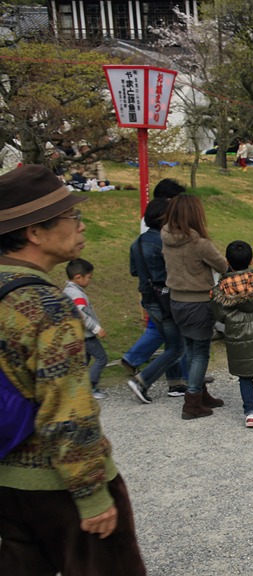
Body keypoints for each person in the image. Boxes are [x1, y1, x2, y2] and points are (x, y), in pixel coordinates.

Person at [0, 164, 146, 575]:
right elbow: (69, 410)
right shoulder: (46, 305)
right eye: (73, 218)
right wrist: (92, 494)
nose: (82, 226)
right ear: (34, 231)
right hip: (56, 486)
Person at [161, 194, 229, 419]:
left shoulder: (166, 237)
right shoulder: (199, 244)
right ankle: (191, 403)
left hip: (176, 302)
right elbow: (223, 265)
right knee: (200, 352)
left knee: (191, 350)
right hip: (198, 303)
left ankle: (200, 393)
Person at [126, 198, 188, 403]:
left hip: (148, 300)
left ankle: (176, 383)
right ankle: (142, 381)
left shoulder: (137, 243)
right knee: (177, 347)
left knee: (171, 342)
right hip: (166, 300)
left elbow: (134, 271)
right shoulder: (165, 242)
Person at [211, 241, 253, 428]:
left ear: (227, 261)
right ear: (251, 260)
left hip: (237, 337)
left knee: (245, 376)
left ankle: (250, 412)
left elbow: (219, 314)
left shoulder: (220, 290)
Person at [63, 258, 109, 399]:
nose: (90, 280)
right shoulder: (77, 294)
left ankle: (76, 387)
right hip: (86, 335)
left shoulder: (68, 291)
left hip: (77, 334)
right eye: (89, 277)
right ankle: (91, 387)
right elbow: (81, 314)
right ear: (78, 277)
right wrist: (96, 328)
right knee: (102, 358)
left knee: (83, 361)